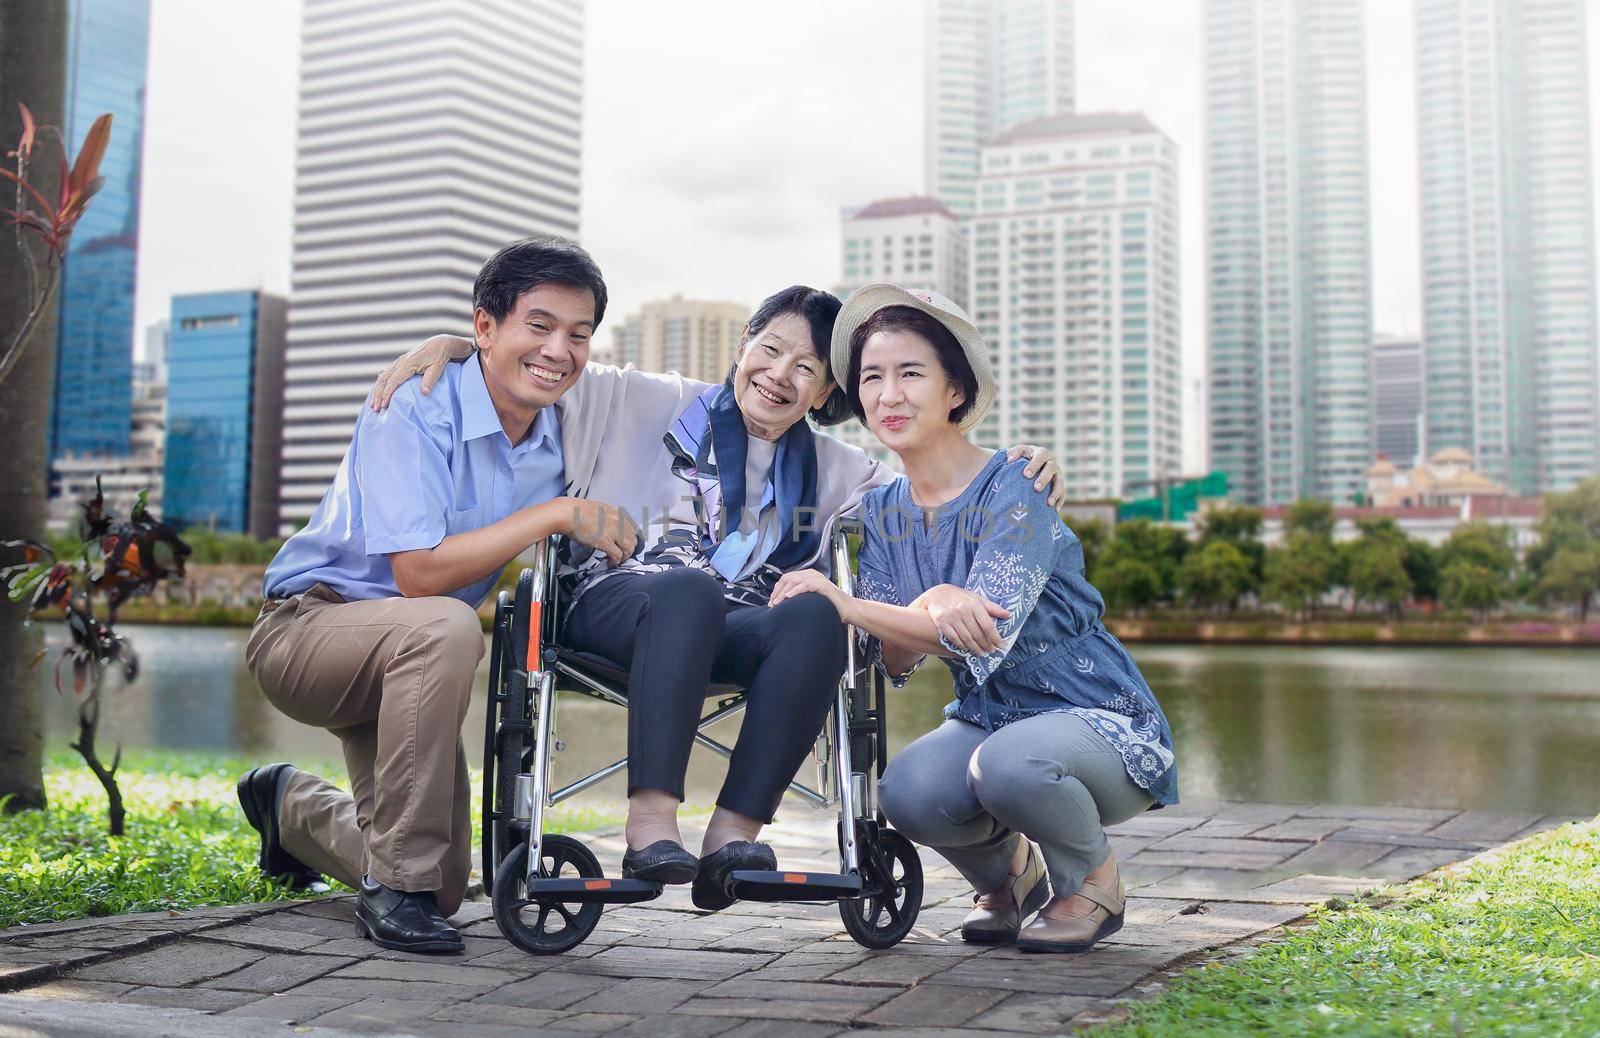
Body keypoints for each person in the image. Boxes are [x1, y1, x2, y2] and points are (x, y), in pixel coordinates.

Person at [373, 288, 1069, 911]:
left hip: (732, 622)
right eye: (770, 350)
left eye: (806, 370)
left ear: (825, 394)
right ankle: (651, 826)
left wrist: (1020, 464)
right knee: (687, 587)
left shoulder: (839, 470)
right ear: (745, 346)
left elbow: (938, 477)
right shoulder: (644, 399)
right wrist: (462, 346)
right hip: (616, 603)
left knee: (815, 610)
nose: (779, 375)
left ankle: (732, 838)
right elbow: (545, 362)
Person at [240, 236, 638, 954]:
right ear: (486, 327)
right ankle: (393, 891)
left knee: (445, 886)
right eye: (538, 326)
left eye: (578, 335)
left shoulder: (567, 432)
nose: (559, 350)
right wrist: (549, 517)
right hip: (308, 631)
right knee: (448, 626)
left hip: (408, 661)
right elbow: (417, 576)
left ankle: (286, 805)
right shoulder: (415, 402)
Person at [768, 284, 1178, 953]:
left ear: (954, 390)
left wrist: (860, 603)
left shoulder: (1017, 485)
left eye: (910, 374)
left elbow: (986, 629)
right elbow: (897, 655)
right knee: (909, 792)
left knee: (1009, 767)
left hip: (1099, 719)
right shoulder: (880, 511)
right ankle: (1011, 878)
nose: (889, 395)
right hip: (989, 718)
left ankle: (1094, 883)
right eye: (873, 377)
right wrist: (916, 608)